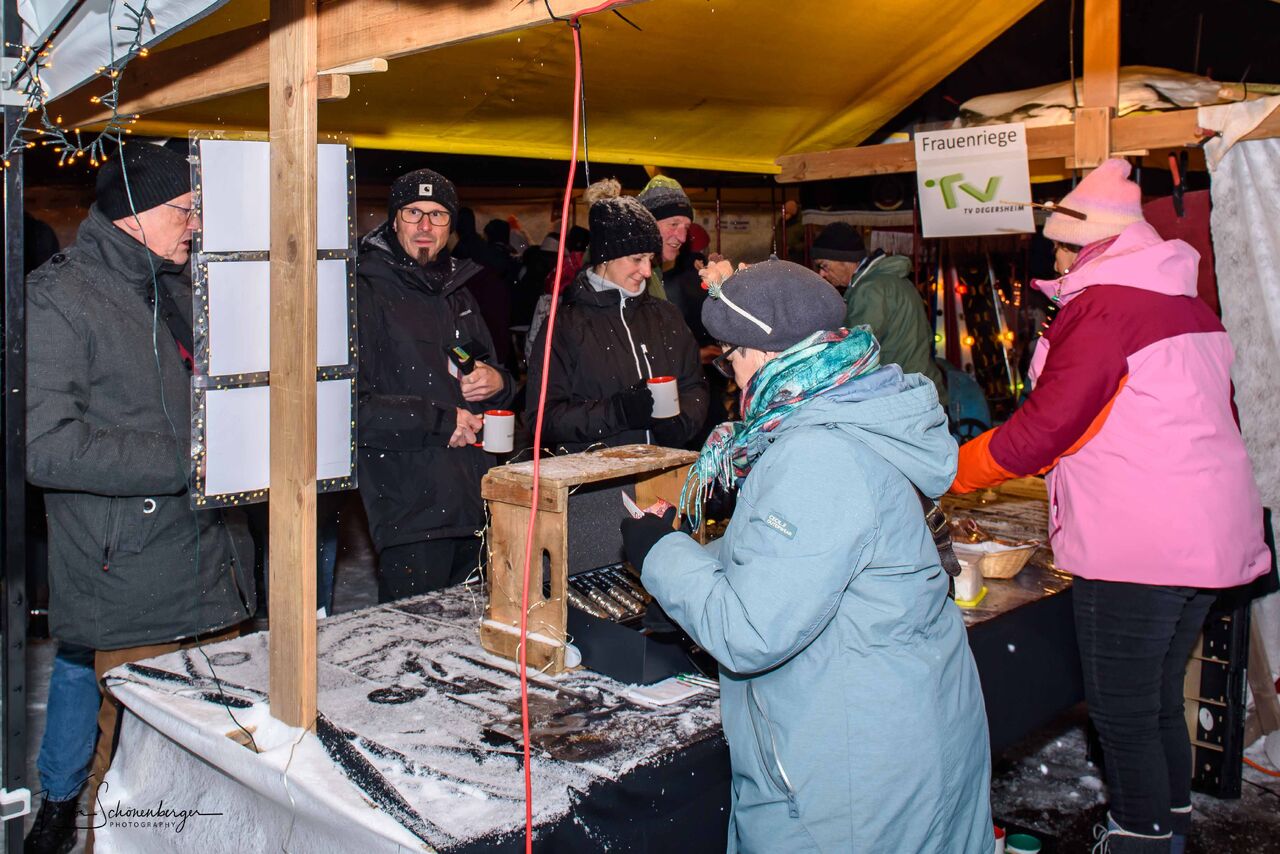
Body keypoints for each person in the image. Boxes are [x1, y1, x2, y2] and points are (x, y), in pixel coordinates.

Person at [620, 258, 993, 853]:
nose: (731, 378)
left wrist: (660, 554)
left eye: (731, 359)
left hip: (847, 775)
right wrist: (695, 566)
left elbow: (751, 630)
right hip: (901, 724)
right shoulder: (856, 405)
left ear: (765, 354)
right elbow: (802, 554)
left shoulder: (818, 453)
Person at [951, 159, 1269, 854]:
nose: (1055, 260)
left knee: (1123, 708)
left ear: (1093, 244)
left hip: (1141, 541)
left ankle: (1138, 839)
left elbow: (1047, 429)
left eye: (1064, 247)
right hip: (1204, 533)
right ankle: (1165, 826)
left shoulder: (1104, 308)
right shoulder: (1182, 301)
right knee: (1154, 698)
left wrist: (951, 471)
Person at [25, 140, 256, 850]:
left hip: (214, 562)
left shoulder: (173, 286)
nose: (197, 223)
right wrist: (194, 459)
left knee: (214, 768)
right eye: (185, 209)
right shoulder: (60, 298)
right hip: (133, 578)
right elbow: (45, 445)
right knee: (134, 775)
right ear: (133, 214)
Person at [356, 168, 516, 602]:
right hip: (410, 508)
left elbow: (496, 375)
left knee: (471, 634)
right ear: (394, 220)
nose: (425, 225)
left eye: (438, 215)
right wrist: (440, 421)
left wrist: (497, 381)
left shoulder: (457, 290)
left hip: (473, 501)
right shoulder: (365, 291)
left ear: (451, 226)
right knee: (415, 637)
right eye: (414, 212)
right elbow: (352, 408)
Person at [525, 179, 707, 452]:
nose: (646, 271)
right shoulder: (565, 326)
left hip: (664, 468)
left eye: (650, 259)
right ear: (606, 257)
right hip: (598, 474)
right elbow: (543, 418)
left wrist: (683, 422)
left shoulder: (665, 316)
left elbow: (694, 386)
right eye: (637, 259)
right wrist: (616, 413)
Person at [811, 221, 948, 405]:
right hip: (921, 389)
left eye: (824, 266)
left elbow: (856, 350)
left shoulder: (869, 289)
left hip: (904, 396)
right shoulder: (892, 280)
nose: (822, 274)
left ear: (845, 260)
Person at [637, 173, 695, 302]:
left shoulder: (653, 271)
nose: (682, 238)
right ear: (648, 224)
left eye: (686, 228)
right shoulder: (627, 275)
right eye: (673, 224)